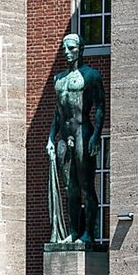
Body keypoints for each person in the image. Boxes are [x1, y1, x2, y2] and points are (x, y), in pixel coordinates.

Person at [46, 34, 105, 243]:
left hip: (83, 132)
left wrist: (96, 136)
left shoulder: (90, 76)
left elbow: (99, 107)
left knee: (86, 185)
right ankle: (73, 231)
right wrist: (51, 138)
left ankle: (88, 233)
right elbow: (57, 113)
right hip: (64, 135)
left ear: (80, 50)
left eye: (71, 48)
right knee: (70, 188)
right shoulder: (58, 79)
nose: (67, 52)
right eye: (64, 48)